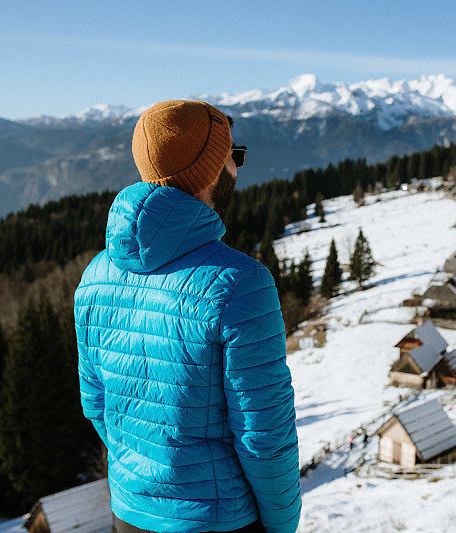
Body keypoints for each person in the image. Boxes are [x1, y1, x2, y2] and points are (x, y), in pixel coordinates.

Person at [75, 100, 301, 533]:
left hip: (130, 514)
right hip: (219, 520)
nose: (239, 167)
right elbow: (264, 437)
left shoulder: (96, 275)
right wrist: (281, 525)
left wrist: (146, 478)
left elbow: (96, 402)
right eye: (235, 156)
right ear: (212, 169)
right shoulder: (240, 283)